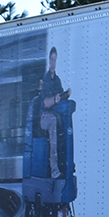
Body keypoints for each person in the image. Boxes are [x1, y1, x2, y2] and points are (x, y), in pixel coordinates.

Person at [39, 46, 72, 178]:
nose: (53, 62)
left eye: (55, 60)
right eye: (51, 59)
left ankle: (65, 163)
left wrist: (66, 95)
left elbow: (60, 97)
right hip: (44, 117)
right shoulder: (45, 80)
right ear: (48, 61)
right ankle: (54, 170)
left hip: (54, 114)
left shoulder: (57, 80)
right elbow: (46, 102)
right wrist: (54, 99)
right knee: (53, 122)